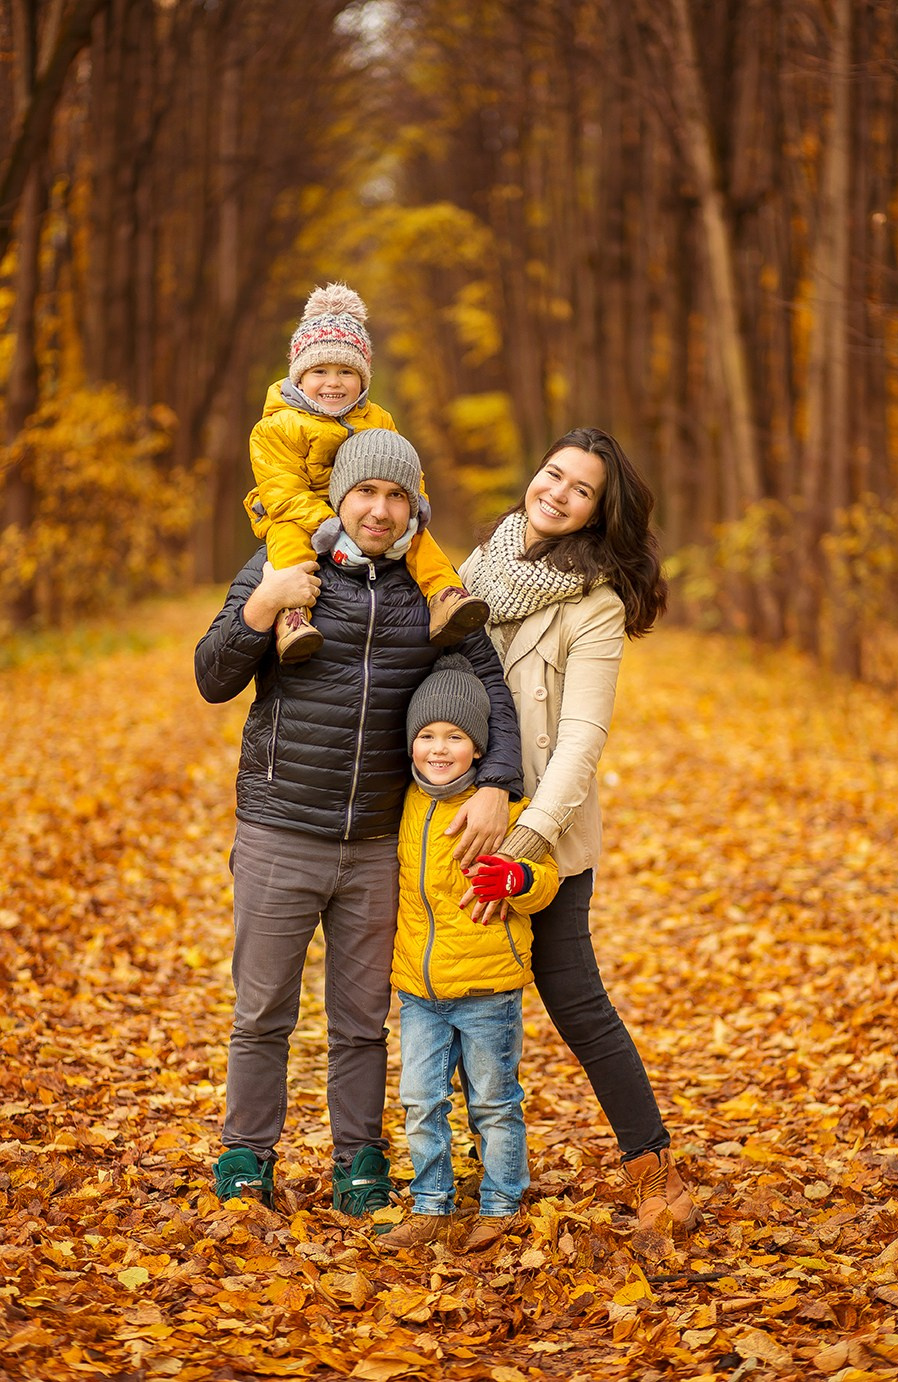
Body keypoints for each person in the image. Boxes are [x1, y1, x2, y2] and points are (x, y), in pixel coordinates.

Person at [194, 428, 523, 1215]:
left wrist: (498, 784)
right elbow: (212, 675)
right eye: (365, 492)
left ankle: (359, 1163)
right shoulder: (285, 565)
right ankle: (247, 1157)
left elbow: (493, 689)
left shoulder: (432, 593)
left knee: (361, 1021)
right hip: (281, 826)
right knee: (262, 1008)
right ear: (339, 496)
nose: (379, 509)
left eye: (395, 494)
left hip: (379, 841)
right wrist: (263, 608)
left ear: (415, 505)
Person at [459, 426, 699, 1235]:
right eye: (552, 474)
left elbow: (581, 742)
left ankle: (654, 1168)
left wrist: (525, 841)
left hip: (543, 838)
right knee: (445, 993)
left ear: (599, 512)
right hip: (451, 821)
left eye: (580, 489)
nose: (556, 492)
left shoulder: (591, 607)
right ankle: (456, 1172)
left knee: (574, 997)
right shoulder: (475, 568)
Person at [379, 654, 558, 1254]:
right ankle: (432, 1205)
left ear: (479, 748)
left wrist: (517, 881)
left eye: (454, 737)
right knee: (419, 1101)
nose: (438, 747)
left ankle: (503, 1201)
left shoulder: (503, 808)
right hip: (420, 990)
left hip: (487, 987)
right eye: (426, 735)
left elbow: (545, 877)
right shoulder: (403, 803)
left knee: (493, 1101)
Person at [243, 283, 487, 663]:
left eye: (346, 371)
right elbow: (281, 489)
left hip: (365, 505)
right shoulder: (278, 426)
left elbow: (403, 464)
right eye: (319, 371)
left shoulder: (377, 418)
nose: (333, 382)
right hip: (300, 512)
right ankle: (293, 618)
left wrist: (415, 498)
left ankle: (444, 594)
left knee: (418, 536)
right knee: (287, 543)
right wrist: (326, 522)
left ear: (363, 377)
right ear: (299, 377)